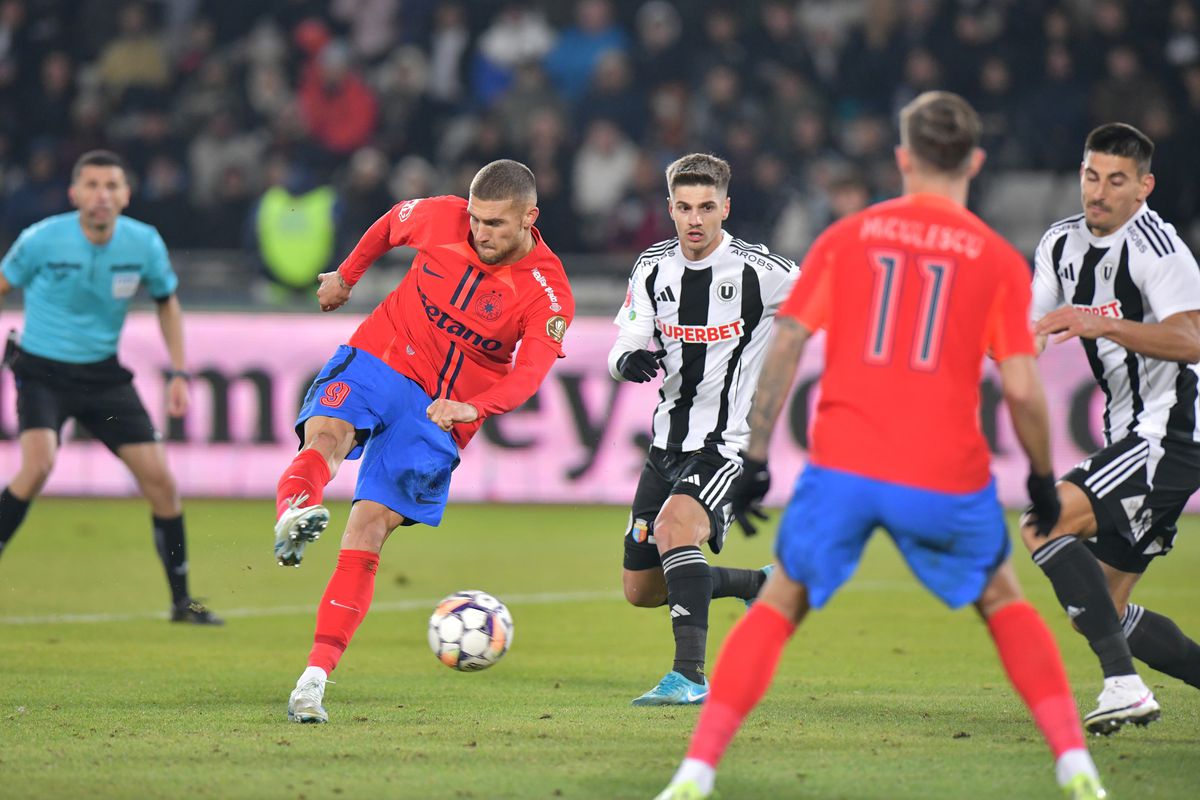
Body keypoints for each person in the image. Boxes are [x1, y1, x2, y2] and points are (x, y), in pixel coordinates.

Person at [655, 92, 1106, 800]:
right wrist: (1045, 479)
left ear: (902, 159)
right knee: (1002, 598)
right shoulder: (994, 259)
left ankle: (697, 768)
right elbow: (1022, 389)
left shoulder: (847, 237)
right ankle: (1074, 762)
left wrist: (759, 458)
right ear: (976, 162)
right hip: (944, 472)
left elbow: (788, 347)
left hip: (845, 466)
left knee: (780, 602)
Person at [274, 159, 573, 724]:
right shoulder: (442, 217)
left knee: (368, 527)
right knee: (327, 435)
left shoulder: (547, 291)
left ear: (530, 218)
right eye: (477, 219)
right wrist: (346, 275)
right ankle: (294, 512)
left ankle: (312, 680)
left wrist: (476, 407)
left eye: (496, 225)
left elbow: (529, 373)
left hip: (442, 412)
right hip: (383, 354)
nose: (480, 233)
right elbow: (390, 224)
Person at [1025, 122, 1200, 735]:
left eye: (1116, 180)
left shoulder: (1160, 248)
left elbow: (1193, 339)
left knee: (1044, 521)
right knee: (1101, 605)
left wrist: (1105, 325)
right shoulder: (1059, 243)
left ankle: (1123, 686)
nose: (1098, 192)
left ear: (1143, 187)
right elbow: (1035, 331)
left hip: (1170, 434)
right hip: (1133, 432)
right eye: (1091, 175)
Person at [0, 149, 221, 625]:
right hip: (41, 370)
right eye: (92, 185)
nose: (101, 195)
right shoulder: (41, 240)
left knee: (161, 483)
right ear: (74, 193)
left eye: (111, 186)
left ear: (126, 194)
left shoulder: (143, 243)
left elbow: (167, 302)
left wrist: (179, 372)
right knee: (38, 466)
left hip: (102, 376)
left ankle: (183, 602)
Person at [609, 153, 797, 705]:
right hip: (665, 445)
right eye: (685, 207)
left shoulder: (761, 271)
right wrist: (627, 362)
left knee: (674, 530)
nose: (695, 219)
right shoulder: (652, 266)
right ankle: (757, 585)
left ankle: (688, 677)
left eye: (707, 207)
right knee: (642, 589)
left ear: (726, 208)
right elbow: (624, 341)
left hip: (725, 447)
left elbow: (836, 298)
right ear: (670, 208)